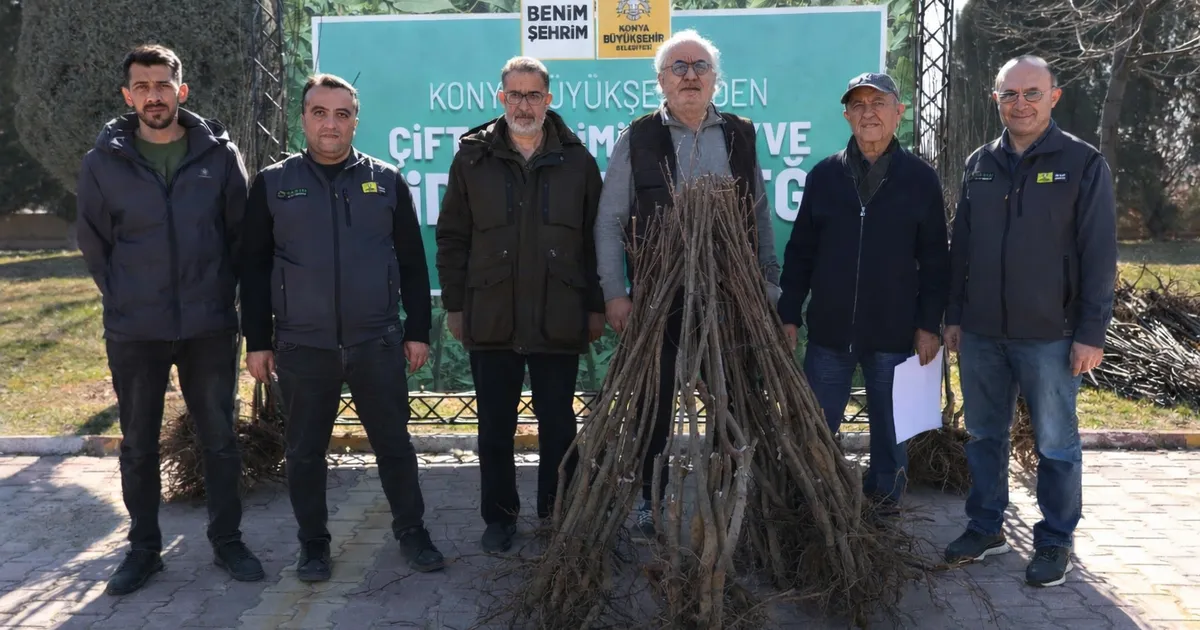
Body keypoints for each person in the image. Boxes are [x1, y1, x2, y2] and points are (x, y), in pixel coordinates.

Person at [75, 44, 264, 595]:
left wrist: (223, 297)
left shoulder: (219, 155)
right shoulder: (102, 163)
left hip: (208, 324)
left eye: (163, 85)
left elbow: (241, 238)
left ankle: (228, 541)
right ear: (127, 96)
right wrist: (127, 297)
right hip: (136, 328)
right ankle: (143, 549)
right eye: (142, 87)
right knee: (137, 442)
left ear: (181, 91)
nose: (153, 96)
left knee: (220, 438)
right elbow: (94, 243)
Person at [240, 73, 444, 582]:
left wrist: (417, 331)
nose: (331, 124)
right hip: (303, 346)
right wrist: (258, 342)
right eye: (320, 112)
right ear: (303, 117)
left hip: (376, 341)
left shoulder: (388, 180)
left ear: (356, 120)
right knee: (305, 453)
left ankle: (412, 532)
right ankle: (313, 545)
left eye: (342, 114)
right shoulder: (271, 183)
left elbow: (415, 265)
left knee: (395, 445)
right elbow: (254, 268)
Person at [594, 29, 781, 540]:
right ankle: (647, 501)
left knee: (736, 395)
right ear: (661, 80)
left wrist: (768, 282)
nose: (690, 75)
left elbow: (759, 215)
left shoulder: (741, 134)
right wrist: (615, 291)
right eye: (679, 68)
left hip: (733, 294)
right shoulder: (639, 137)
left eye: (700, 66)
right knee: (653, 399)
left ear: (715, 78)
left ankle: (734, 492)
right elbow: (611, 221)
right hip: (661, 294)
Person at [942, 55, 1117, 588]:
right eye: (1009, 94)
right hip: (982, 333)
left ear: (1053, 97)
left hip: (1052, 334)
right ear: (995, 99)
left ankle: (1056, 540)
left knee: (1055, 444)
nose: (1020, 103)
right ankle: (986, 527)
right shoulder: (979, 163)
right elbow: (961, 247)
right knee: (984, 435)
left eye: (1031, 93)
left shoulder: (1083, 163)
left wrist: (1091, 332)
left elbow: (1099, 254)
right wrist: (954, 315)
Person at [436, 56, 605, 553]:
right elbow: (452, 238)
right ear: (500, 98)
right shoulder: (472, 157)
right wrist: (455, 306)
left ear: (549, 101)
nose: (524, 104)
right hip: (492, 314)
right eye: (515, 94)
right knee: (494, 427)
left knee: (559, 424)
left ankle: (558, 517)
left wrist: (595, 306)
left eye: (534, 95)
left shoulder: (577, 160)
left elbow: (597, 240)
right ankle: (500, 519)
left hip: (559, 313)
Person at [777, 72, 950, 511]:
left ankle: (884, 505)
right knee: (817, 426)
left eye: (878, 103)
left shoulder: (920, 180)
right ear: (846, 115)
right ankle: (814, 506)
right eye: (858, 105)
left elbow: (935, 261)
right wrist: (789, 314)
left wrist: (929, 325)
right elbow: (800, 253)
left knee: (890, 433)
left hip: (894, 334)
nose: (868, 112)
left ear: (898, 113)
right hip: (830, 334)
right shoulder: (824, 176)